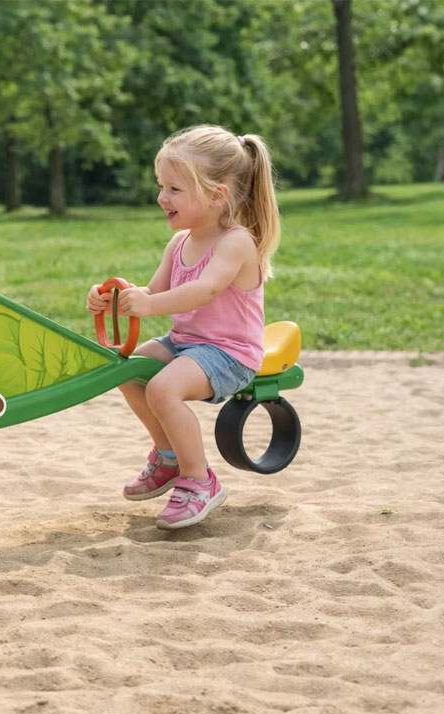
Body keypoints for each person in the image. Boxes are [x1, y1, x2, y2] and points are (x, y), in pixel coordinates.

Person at [86, 125, 281, 530]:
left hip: (230, 353)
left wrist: (149, 305)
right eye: (162, 186)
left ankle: (199, 480)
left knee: (162, 389)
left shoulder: (236, 242)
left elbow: (204, 291)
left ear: (216, 196)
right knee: (127, 370)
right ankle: (169, 456)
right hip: (185, 344)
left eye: (174, 189)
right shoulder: (178, 244)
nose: (162, 197)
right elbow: (153, 292)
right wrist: (114, 298)